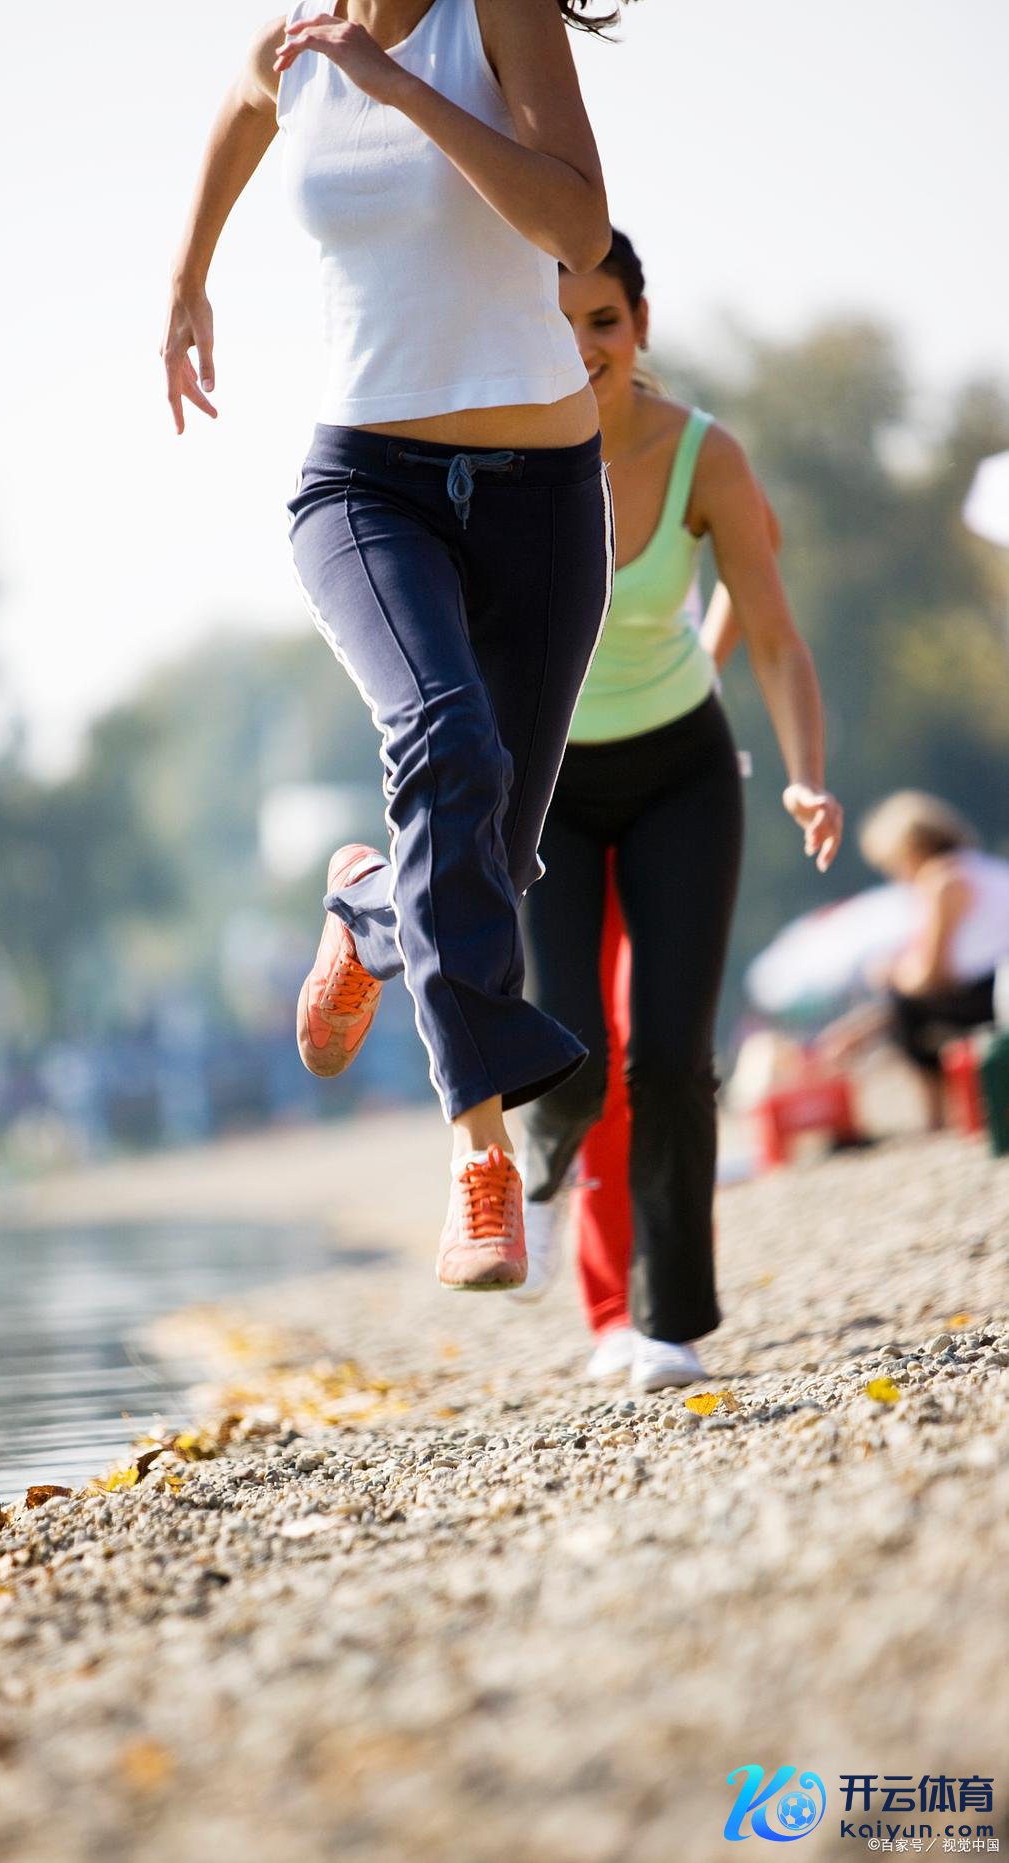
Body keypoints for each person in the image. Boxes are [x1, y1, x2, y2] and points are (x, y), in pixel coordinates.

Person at [162, 2, 620, 1290]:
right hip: (364, 487)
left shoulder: (494, 16)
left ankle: (370, 910)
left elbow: (579, 229)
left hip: (542, 495)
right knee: (445, 737)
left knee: (491, 860)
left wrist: (401, 90)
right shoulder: (296, 40)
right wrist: (188, 277)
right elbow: (242, 107)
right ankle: (480, 1161)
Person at [511, 229, 844, 1389]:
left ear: (640, 325)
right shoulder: (499, 453)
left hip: (679, 775)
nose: (582, 345)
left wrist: (805, 771)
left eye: (602, 320)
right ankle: (560, 1221)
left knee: (668, 1056)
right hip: (551, 787)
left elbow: (776, 632)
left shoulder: (705, 452)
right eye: (554, 322)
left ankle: (664, 1321)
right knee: (572, 1052)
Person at [820, 792, 1009, 1129]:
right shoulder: (983, 867)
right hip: (995, 983)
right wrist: (865, 1029)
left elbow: (932, 977)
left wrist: (891, 974)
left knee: (904, 1002)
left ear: (909, 852)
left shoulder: (942, 882)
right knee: (900, 1002)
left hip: (991, 991)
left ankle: (938, 1111)